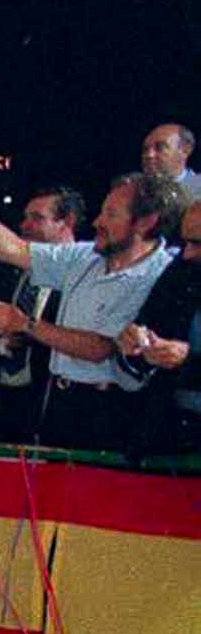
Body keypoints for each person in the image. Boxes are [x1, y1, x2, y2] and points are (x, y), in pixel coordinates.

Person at [0, 166, 179, 452]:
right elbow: (13, 250)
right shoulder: (86, 256)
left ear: (146, 222)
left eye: (111, 215)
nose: (98, 221)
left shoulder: (163, 275)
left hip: (111, 414)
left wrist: (26, 324)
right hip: (59, 402)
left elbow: (100, 348)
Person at [0, 187, 83, 441]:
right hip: (3, 402)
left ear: (67, 221)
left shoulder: (84, 274)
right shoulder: (7, 271)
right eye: (25, 217)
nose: (25, 225)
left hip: (51, 405)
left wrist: (29, 333)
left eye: (37, 218)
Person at [114, 196, 201, 457]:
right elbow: (146, 324)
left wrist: (188, 361)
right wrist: (133, 343)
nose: (186, 253)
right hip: (167, 437)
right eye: (185, 242)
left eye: (197, 244)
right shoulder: (181, 271)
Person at [139, 120, 201, 204]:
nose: (149, 155)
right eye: (145, 150)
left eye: (159, 148)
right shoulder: (133, 191)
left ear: (185, 150)